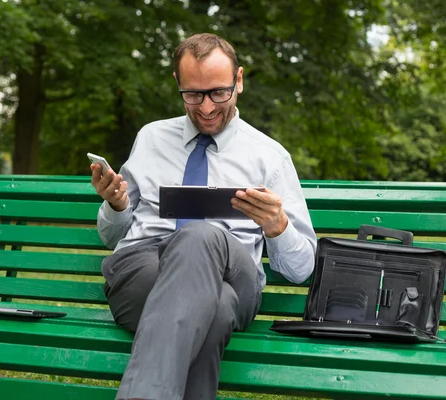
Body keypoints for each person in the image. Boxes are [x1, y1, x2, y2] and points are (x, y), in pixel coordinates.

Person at [91, 33, 317, 400]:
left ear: (238, 81)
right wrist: (116, 207)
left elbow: (301, 269)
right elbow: (112, 238)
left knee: (201, 236)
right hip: (141, 271)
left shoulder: (270, 157)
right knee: (217, 308)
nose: (207, 107)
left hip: (234, 271)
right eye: (193, 95)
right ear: (178, 86)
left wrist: (278, 227)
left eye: (219, 92)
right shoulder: (150, 138)